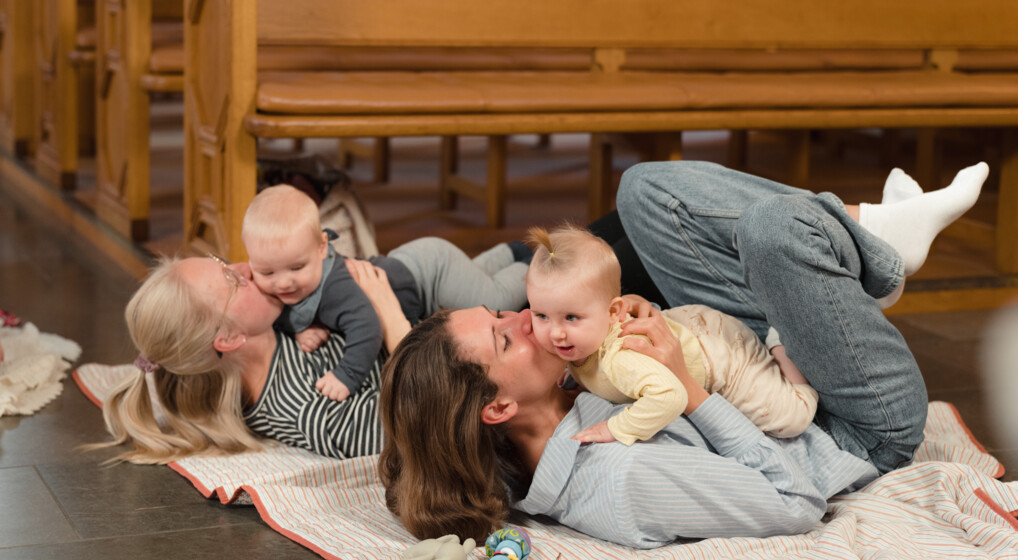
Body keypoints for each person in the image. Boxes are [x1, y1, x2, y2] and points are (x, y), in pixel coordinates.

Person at [375, 161, 989, 547]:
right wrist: (691, 394)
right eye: (504, 337)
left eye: (500, 313)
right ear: (498, 408)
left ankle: (875, 237)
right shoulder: (619, 481)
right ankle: (876, 250)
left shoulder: (551, 387)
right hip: (846, 426)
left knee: (644, 191)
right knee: (774, 230)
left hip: (745, 360)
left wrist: (636, 316)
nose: (522, 318)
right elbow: (797, 503)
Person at [525, 224, 818, 444]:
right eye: (541, 316)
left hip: (721, 361)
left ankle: (780, 339)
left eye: (571, 318)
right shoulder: (577, 341)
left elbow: (670, 397)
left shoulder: (620, 360)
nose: (556, 334)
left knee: (793, 418)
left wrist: (616, 428)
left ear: (613, 312)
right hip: (692, 326)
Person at [90, 255, 398, 464]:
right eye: (234, 280)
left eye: (223, 262)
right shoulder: (305, 408)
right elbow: (417, 426)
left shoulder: (280, 321)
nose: (247, 266)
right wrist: (393, 319)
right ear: (228, 338)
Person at [241, 185, 530, 402]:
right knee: (472, 281)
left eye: (296, 268)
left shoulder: (336, 289)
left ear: (321, 247)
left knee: (493, 299)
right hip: (410, 267)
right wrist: (300, 329)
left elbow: (368, 329)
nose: (283, 284)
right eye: (267, 273)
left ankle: (530, 262)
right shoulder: (279, 289)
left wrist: (346, 375)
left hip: (430, 274)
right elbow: (279, 315)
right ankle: (508, 252)